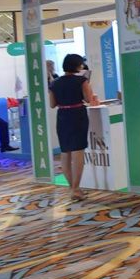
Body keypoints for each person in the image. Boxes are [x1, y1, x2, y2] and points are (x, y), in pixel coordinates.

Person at [49, 54, 99, 201]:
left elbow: (52, 104)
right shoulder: (82, 80)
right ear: (77, 65)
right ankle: (76, 189)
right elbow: (89, 99)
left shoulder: (55, 83)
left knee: (65, 152)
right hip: (77, 115)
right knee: (78, 152)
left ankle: (72, 188)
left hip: (62, 116)